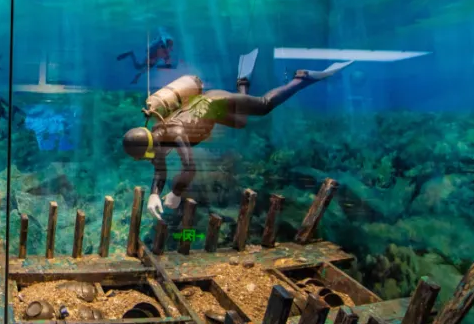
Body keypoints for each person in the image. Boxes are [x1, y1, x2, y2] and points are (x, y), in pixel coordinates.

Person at [122, 49, 352, 220]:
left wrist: (176, 193)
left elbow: (189, 168)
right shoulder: (156, 135)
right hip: (207, 114)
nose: (151, 158)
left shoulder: (174, 133)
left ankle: (301, 79)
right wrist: (154, 194)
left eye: (146, 155)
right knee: (241, 122)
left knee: (263, 105)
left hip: (215, 101)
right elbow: (160, 170)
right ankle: (243, 82)